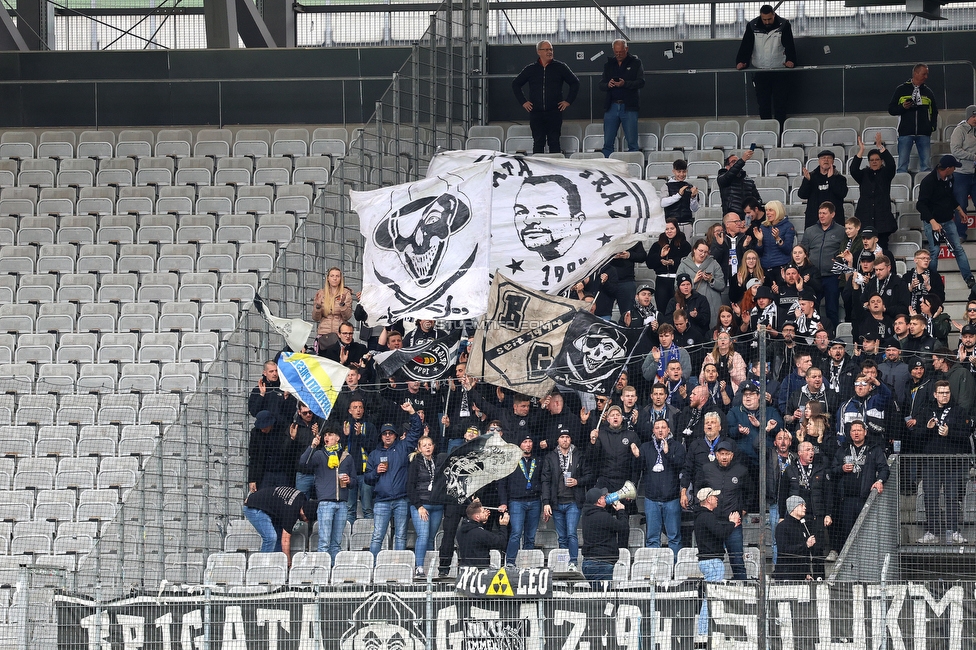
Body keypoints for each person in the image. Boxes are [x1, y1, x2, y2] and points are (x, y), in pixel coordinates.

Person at [364, 402, 424, 557]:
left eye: (391, 433)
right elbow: (367, 479)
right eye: (385, 433)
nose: (388, 435)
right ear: (381, 436)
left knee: (401, 536)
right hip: (381, 501)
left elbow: (417, 431)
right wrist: (376, 471)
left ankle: (398, 567)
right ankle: (373, 567)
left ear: (396, 435)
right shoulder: (374, 454)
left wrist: (412, 412)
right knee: (378, 536)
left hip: (401, 500)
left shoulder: (403, 447)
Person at [917, 380, 971, 544]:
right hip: (931, 462)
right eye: (941, 392)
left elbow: (966, 435)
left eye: (947, 392)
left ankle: (954, 530)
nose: (944, 395)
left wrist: (950, 433)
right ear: (935, 394)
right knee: (931, 497)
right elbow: (915, 436)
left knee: (953, 498)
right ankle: (932, 531)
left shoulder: (959, 411)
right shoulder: (926, 411)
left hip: (952, 462)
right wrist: (927, 428)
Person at [512, 41, 580, 154]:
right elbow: (516, 84)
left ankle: (555, 168)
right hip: (536, 112)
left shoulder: (560, 67)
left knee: (554, 141)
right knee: (538, 142)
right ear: (539, 52)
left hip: (554, 112)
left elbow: (575, 83)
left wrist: (568, 101)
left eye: (551, 49)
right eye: (546, 49)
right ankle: (538, 169)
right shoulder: (531, 69)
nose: (549, 52)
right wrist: (523, 102)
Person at [917, 154, 975, 287]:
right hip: (933, 222)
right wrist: (932, 222)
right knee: (935, 251)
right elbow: (920, 205)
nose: (955, 169)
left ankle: (969, 279)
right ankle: (931, 281)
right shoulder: (928, 181)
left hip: (948, 221)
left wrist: (960, 210)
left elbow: (950, 197)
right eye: (954, 167)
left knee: (958, 249)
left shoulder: (950, 178)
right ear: (948, 168)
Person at [830, 420, 888, 551]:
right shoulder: (843, 449)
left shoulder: (874, 449)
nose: (856, 433)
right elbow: (832, 470)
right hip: (846, 501)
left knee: (866, 532)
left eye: (859, 430)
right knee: (847, 532)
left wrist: (879, 481)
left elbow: (884, 469)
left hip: (866, 498)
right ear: (850, 433)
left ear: (865, 432)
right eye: (853, 431)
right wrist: (842, 468)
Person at [299, 428, 356, 561]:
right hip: (325, 503)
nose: (327, 437)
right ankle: (322, 571)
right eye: (325, 435)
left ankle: (333, 572)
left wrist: (349, 480)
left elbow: (355, 482)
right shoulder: (319, 454)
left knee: (336, 543)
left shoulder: (347, 457)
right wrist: (312, 446)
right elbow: (303, 463)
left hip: (342, 504)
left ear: (338, 438)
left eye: (331, 434)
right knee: (324, 543)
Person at [735, 4, 796, 125]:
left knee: (781, 104)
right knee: (763, 104)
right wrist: (741, 61)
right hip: (761, 71)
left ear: (774, 15)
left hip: (780, 70)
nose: (767, 22)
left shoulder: (784, 25)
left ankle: (780, 133)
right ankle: (767, 131)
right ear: (761, 16)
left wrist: (791, 60)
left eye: (769, 19)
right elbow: (746, 45)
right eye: (764, 19)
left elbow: (789, 45)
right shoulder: (752, 26)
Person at [633, 418, 686, 555]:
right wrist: (637, 457)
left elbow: (681, 466)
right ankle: (654, 569)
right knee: (652, 538)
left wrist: (667, 454)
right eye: (657, 428)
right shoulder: (645, 447)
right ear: (653, 431)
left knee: (674, 537)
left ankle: (674, 569)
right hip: (651, 499)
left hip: (672, 499)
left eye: (663, 427)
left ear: (669, 430)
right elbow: (638, 469)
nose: (660, 430)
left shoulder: (677, 446)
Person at [694, 487, 741, 637]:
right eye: (714, 496)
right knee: (710, 597)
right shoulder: (706, 517)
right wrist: (732, 523)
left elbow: (718, 529)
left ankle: (705, 631)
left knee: (711, 597)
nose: (717, 499)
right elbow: (721, 533)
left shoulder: (703, 517)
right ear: (708, 499)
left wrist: (729, 524)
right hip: (712, 562)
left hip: (708, 561)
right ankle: (703, 632)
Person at [541, 430, 587, 571]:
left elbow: (589, 475)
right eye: (562, 437)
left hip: (573, 501)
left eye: (567, 437)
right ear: (558, 440)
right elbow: (545, 480)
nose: (565, 440)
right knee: (561, 537)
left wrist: (578, 481)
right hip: (556, 502)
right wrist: (546, 502)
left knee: (571, 533)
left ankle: (573, 562)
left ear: (571, 439)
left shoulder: (579, 455)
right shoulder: (550, 457)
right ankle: (563, 563)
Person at [243, 486, 318, 563]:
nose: (306, 521)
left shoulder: (302, 497)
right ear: (303, 513)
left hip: (266, 507)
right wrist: (288, 562)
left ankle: (277, 563)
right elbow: (285, 540)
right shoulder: (291, 512)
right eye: (306, 519)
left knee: (279, 534)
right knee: (271, 538)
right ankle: (262, 566)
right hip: (254, 508)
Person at [498, 434, 542, 566]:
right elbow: (502, 483)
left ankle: (527, 564)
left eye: (530, 441)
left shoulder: (538, 461)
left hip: (534, 501)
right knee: (516, 533)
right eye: (525, 441)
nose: (528, 444)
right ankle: (510, 562)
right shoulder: (510, 461)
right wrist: (503, 502)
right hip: (516, 502)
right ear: (519, 445)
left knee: (530, 536)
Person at [850, 133, 897, 252]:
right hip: (865, 218)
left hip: (882, 221)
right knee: (864, 252)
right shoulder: (863, 175)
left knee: (882, 252)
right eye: (872, 160)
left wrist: (880, 147)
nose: (874, 162)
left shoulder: (886, 174)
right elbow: (853, 170)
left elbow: (891, 164)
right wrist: (861, 150)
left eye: (877, 160)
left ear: (881, 161)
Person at [888, 63, 938, 174]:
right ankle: (902, 185)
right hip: (905, 132)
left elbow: (934, 111)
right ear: (915, 73)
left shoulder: (928, 92)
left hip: (924, 133)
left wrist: (932, 127)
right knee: (902, 165)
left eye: (927, 74)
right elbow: (891, 109)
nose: (926, 77)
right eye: (924, 74)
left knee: (926, 165)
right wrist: (902, 107)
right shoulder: (901, 90)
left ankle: (925, 187)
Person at [802, 202, 846, 327]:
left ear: (832, 214)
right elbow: (804, 251)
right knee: (811, 307)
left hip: (832, 276)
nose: (821, 216)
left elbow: (844, 252)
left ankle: (831, 336)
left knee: (832, 308)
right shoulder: (810, 231)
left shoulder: (841, 231)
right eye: (820, 213)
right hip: (813, 276)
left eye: (824, 213)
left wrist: (839, 268)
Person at [599, 39, 645, 157]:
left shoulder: (636, 63)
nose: (618, 54)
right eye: (616, 52)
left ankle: (633, 166)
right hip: (611, 106)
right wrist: (608, 85)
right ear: (613, 50)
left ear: (626, 49)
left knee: (632, 142)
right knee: (608, 142)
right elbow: (601, 84)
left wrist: (625, 84)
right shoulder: (608, 64)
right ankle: (608, 168)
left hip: (629, 107)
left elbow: (641, 82)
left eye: (621, 51)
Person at [407, 436, 444, 576]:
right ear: (419, 448)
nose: (428, 447)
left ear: (433, 447)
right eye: (424, 445)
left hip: (437, 506)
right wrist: (419, 506)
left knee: (431, 537)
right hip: (421, 505)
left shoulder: (438, 462)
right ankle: (419, 567)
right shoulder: (415, 463)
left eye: (430, 444)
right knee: (423, 535)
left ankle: (429, 567)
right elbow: (409, 486)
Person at [580, 487, 629, 585]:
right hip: (601, 563)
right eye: (603, 497)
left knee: (597, 595)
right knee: (603, 597)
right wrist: (621, 511)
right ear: (598, 501)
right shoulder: (603, 517)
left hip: (589, 562)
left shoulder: (586, 515)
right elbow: (623, 527)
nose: (605, 498)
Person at [677, 239, 726, 330]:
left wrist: (711, 280)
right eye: (700, 251)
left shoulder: (714, 264)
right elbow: (676, 286)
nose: (703, 254)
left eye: (705, 252)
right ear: (694, 250)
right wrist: (693, 281)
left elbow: (722, 285)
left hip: (712, 305)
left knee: (712, 331)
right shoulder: (684, 265)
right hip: (692, 304)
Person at [646, 220, 692, 313]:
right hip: (661, 281)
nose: (669, 231)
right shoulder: (657, 245)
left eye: (672, 228)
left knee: (678, 310)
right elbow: (649, 263)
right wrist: (660, 257)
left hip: (677, 280)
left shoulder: (685, 245)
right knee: (662, 310)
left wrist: (673, 262)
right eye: (666, 229)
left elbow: (688, 261)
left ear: (676, 229)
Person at [248, 409, 299, 491]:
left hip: (283, 472)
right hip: (265, 472)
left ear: (271, 424)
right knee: (264, 498)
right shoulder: (256, 433)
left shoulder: (283, 429)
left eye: (264, 427)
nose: (262, 429)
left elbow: (289, 452)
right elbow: (254, 457)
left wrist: (291, 438)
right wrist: (252, 479)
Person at [798, 150, 848, 228]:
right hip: (813, 221)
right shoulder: (811, 177)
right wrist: (807, 181)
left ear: (833, 161)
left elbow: (842, 193)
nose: (826, 160)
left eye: (829, 158)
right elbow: (802, 195)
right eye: (823, 158)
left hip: (834, 221)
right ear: (819, 161)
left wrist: (831, 179)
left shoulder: (840, 178)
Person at [774, 496, 817, 580]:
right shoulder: (782, 526)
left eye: (805, 505)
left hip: (801, 575)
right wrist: (805, 545)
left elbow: (806, 554)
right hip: (787, 574)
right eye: (801, 505)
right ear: (793, 508)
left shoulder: (803, 526)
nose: (805, 508)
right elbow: (784, 550)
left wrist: (807, 573)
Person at [456, 500, 511, 567]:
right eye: (483, 512)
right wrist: (503, 526)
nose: (485, 513)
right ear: (477, 517)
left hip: (465, 570)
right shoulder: (480, 533)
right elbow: (501, 542)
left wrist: (481, 523)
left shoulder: (460, 531)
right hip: (480, 570)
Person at [755, 200, 795, 276]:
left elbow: (788, 250)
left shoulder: (788, 226)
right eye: (766, 210)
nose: (767, 213)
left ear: (778, 211)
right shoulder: (763, 226)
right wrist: (759, 241)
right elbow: (759, 253)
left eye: (770, 210)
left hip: (781, 267)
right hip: (764, 267)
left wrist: (778, 239)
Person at [718, 150, 762, 218]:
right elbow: (730, 174)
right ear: (727, 166)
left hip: (747, 218)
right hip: (732, 218)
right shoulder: (722, 178)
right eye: (733, 162)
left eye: (737, 161)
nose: (736, 163)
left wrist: (752, 209)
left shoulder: (749, 181)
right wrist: (742, 160)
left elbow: (758, 199)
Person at [949, 105, 976, 218]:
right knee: (961, 205)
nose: (975, 119)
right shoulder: (959, 130)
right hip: (961, 174)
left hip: (975, 174)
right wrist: (973, 157)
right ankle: (960, 234)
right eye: (973, 116)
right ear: (968, 116)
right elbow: (955, 150)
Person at [313, 266, 354, 339]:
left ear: (341, 278)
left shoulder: (345, 293)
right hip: (323, 333)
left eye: (337, 276)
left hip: (339, 334)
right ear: (328, 278)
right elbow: (315, 318)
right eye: (332, 276)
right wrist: (318, 306)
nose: (335, 278)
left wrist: (342, 305)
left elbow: (347, 317)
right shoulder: (321, 293)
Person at [661, 161, 701, 233]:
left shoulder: (690, 187)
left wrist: (693, 197)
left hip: (687, 224)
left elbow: (694, 209)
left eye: (684, 171)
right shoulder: (667, 186)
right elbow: (662, 203)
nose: (681, 174)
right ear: (673, 171)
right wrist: (678, 195)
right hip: (671, 225)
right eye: (679, 172)